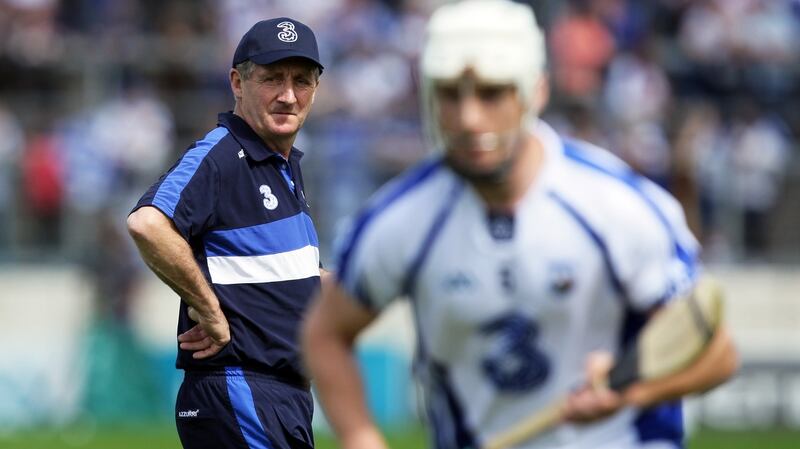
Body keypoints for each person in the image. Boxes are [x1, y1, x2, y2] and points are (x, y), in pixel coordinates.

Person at [301, 1, 738, 449]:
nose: (470, 118)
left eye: (492, 93)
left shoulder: (619, 207)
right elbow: (326, 333)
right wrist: (359, 438)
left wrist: (631, 395)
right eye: (450, 94)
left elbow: (718, 354)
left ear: (536, 91)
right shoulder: (400, 220)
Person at [127, 17, 326, 449]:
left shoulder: (284, 168)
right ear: (238, 82)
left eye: (302, 81)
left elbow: (300, 280)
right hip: (241, 390)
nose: (288, 96)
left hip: (281, 396)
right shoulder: (221, 155)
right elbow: (148, 223)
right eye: (272, 79)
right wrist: (210, 311)